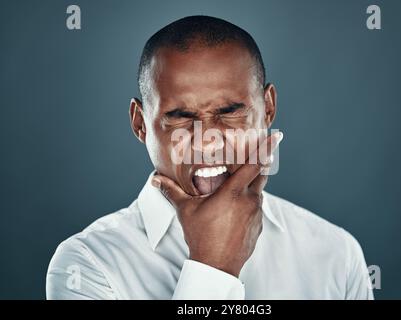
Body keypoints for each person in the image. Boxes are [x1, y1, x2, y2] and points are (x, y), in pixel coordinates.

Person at [46, 15, 373, 300]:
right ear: (139, 124)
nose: (206, 143)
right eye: (179, 117)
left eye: (230, 113)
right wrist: (213, 265)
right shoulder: (86, 265)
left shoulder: (336, 254)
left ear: (268, 108)